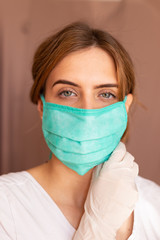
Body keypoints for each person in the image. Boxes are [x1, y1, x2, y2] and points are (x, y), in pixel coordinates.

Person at [0, 22, 160, 240]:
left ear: (125, 107)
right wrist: (99, 227)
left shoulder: (154, 203)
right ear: (42, 106)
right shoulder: (6, 204)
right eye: (67, 92)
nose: (87, 111)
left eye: (105, 94)